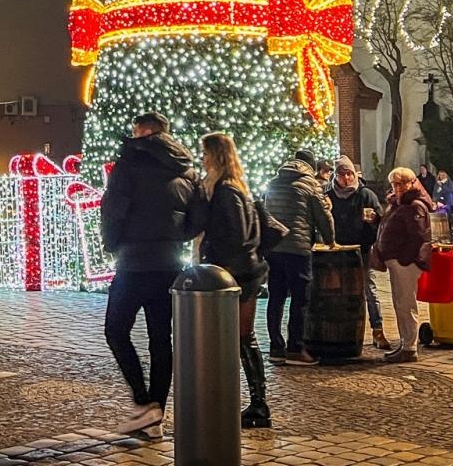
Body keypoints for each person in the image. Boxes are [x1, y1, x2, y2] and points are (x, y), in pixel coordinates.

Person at [99, 112, 207, 440]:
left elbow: (113, 209)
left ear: (144, 131)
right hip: (169, 265)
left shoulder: (129, 163)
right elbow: (197, 217)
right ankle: (156, 412)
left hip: (133, 263)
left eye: (136, 131)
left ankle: (144, 402)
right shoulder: (187, 168)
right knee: (161, 338)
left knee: (116, 330)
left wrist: (112, 243)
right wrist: (176, 238)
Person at [199, 132, 272, 429]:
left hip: (236, 276)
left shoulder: (227, 190)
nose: (202, 159)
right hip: (243, 273)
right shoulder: (236, 186)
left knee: (242, 338)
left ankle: (258, 404)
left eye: (206, 153)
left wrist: (218, 265)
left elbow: (237, 235)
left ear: (216, 156)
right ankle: (251, 401)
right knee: (240, 339)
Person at [262, 152, 335, 365]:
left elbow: (265, 212)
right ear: (311, 167)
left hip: (274, 247)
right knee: (300, 298)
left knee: (276, 297)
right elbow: (323, 215)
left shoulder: (274, 182)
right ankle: (295, 348)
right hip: (297, 248)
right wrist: (330, 240)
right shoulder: (310, 184)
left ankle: (276, 347)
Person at [327, 157, 389, 350]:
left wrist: (375, 219)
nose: (346, 178)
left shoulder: (365, 194)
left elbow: (381, 220)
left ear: (354, 174)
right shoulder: (329, 195)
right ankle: (341, 331)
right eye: (341, 174)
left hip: (362, 250)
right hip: (336, 250)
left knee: (369, 289)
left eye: (349, 174)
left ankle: (377, 330)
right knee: (339, 292)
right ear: (335, 176)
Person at [374, 167, 434, 364]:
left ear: (412, 183)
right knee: (400, 304)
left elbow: (418, 236)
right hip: (398, 261)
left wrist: (404, 259)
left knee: (406, 305)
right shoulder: (399, 204)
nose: (397, 188)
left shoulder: (415, 205)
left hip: (405, 263)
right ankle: (405, 343)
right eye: (394, 184)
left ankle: (409, 347)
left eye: (401, 183)